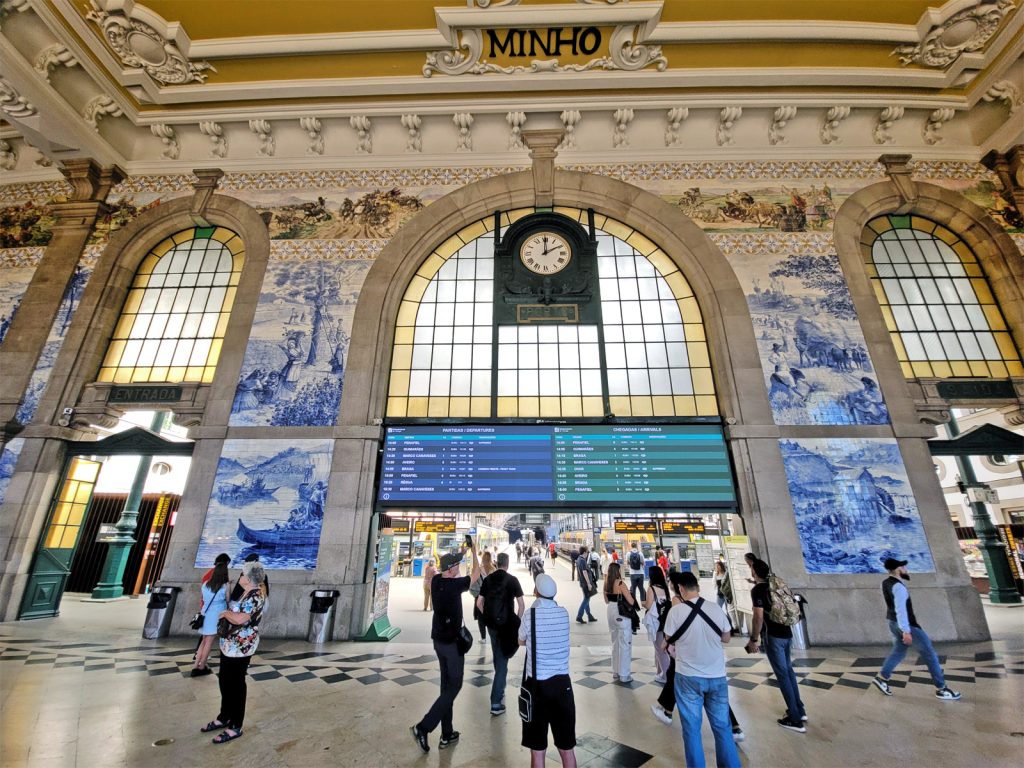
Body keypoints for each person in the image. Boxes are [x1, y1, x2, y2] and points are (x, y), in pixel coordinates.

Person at [651, 572, 745, 743]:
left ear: (680, 587)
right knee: (719, 713)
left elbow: (669, 636)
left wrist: (667, 644)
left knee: (691, 728)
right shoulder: (714, 608)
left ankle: (667, 711)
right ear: (698, 587)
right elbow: (726, 637)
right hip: (714, 668)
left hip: (688, 664)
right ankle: (734, 728)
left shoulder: (677, 607)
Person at [411, 544, 481, 753]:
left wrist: (462, 552)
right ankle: (423, 727)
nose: (459, 567)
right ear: (450, 570)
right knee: (455, 686)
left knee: (446, 687)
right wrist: (474, 553)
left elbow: (452, 564)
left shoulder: (437, 581)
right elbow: (476, 574)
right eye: (456, 566)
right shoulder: (454, 586)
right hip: (451, 644)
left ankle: (447, 733)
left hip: (438, 641)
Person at [873, 557, 961, 701]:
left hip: (893, 623)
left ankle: (882, 678)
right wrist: (906, 631)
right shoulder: (898, 587)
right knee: (930, 654)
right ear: (898, 569)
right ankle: (942, 689)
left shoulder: (885, 583)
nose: (906, 569)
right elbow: (901, 610)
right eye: (903, 567)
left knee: (898, 652)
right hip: (907, 625)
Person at [202, 559, 267, 744]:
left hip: (242, 644)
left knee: (237, 683)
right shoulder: (244, 592)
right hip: (229, 643)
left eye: (243, 574)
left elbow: (240, 619)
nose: (240, 576)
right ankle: (224, 716)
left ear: (249, 578)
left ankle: (235, 725)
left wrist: (225, 614)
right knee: (225, 679)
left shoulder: (255, 595)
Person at [518, 573, 577, 768]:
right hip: (563, 687)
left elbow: (520, 640)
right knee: (567, 749)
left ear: (536, 592)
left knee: (538, 751)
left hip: (537, 688)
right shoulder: (564, 613)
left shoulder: (530, 615)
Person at [745, 558, 807, 733]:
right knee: (788, 672)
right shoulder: (776, 585)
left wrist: (754, 639)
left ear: (754, 572)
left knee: (782, 676)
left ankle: (795, 719)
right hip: (787, 632)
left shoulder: (758, 590)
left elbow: (758, 617)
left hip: (773, 636)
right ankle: (799, 710)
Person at [476, 552, 525, 716]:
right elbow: (521, 605)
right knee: (502, 662)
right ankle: (496, 702)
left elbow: (479, 603)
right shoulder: (512, 580)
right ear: (507, 564)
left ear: (497, 563)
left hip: (491, 626)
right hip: (506, 625)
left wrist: (486, 616)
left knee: (498, 655)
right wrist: (516, 622)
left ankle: (500, 689)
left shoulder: (488, 579)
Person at [192, 557, 230, 677]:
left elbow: (203, 598)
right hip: (216, 615)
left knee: (203, 641)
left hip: (205, 614)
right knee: (209, 642)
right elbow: (228, 600)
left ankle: (195, 666)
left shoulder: (205, 585)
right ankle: (202, 666)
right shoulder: (225, 586)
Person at [603, 562, 636, 682]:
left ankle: (615, 671)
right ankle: (624, 675)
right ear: (618, 571)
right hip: (620, 612)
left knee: (615, 643)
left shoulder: (606, 583)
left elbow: (606, 601)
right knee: (625, 643)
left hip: (610, 611)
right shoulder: (621, 583)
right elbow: (631, 602)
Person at [644, 564, 671, 684]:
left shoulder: (651, 588)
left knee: (660, 650)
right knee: (660, 648)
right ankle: (660, 672)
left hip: (656, 622)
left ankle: (666, 675)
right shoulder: (664, 587)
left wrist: (642, 603)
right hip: (664, 620)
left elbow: (648, 605)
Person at [470, 550, 497, 642]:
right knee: (490, 617)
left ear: (482, 559)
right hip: (491, 598)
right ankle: (492, 636)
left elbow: (472, 584)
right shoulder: (494, 570)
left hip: (480, 598)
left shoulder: (479, 570)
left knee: (481, 618)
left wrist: (477, 594)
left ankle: (483, 638)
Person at [575, 546, 598, 624]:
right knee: (586, 599)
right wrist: (588, 583)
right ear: (584, 552)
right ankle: (579, 616)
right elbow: (584, 572)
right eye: (587, 552)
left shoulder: (579, 559)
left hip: (583, 583)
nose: (588, 553)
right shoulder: (582, 560)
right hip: (585, 583)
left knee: (587, 599)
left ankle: (589, 616)